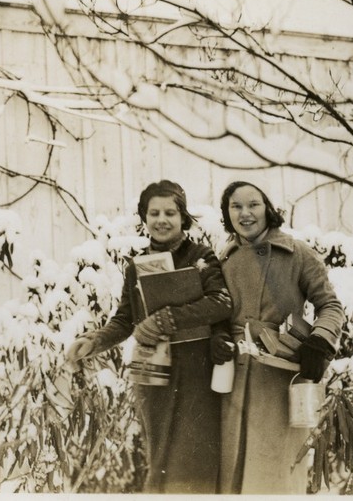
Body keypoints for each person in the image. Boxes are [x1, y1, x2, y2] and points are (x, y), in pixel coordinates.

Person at [66, 180, 232, 494]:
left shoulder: (201, 257)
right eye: (153, 212)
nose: (161, 219)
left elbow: (222, 303)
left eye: (170, 212)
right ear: (144, 217)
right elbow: (125, 319)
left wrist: (168, 318)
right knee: (160, 461)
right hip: (153, 375)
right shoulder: (135, 266)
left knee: (195, 460)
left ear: (183, 217)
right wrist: (94, 341)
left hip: (197, 371)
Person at [210, 180, 345, 494]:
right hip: (235, 383)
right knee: (235, 478)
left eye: (253, 204)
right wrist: (218, 337)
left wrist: (320, 341)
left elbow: (330, 305)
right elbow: (218, 312)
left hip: (282, 381)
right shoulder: (225, 259)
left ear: (268, 208)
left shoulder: (296, 252)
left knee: (277, 479)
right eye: (236, 206)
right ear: (226, 214)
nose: (245, 213)